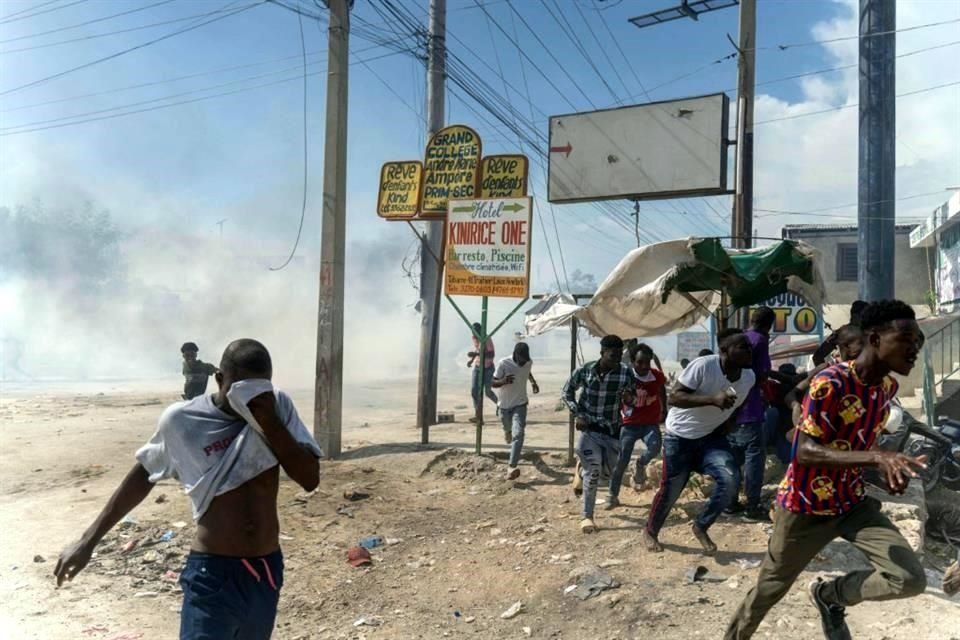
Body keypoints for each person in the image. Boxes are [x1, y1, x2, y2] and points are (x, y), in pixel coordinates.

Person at [55, 339, 322, 640]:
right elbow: (143, 474)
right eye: (241, 389)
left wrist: (267, 420)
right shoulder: (183, 421)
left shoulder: (277, 407)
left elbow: (309, 478)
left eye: (259, 388)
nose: (251, 398)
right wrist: (88, 541)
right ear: (220, 380)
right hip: (213, 574)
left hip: (265, 570)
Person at [725, 301, 928, 640]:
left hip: (852, 504)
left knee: (908, 579)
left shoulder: (887, 388)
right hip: (805, 508)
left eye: (919, 341)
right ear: (875, 339)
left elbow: (855, 445)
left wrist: (887, 473)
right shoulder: (829, 383)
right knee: (768, 591)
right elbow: (804, 452)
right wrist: (876, 457)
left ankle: (829, 596)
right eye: (907, 338)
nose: (914, 349)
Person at [643, 328, 755, 554]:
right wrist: (712, 400)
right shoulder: (704, 366)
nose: (749, 351)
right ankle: (650, 531)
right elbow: (675, 396)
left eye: (749, 346)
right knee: (671, 489)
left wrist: (730, 422)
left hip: (711, 438)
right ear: (724, 350)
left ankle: (701, 525)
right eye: (743, 347)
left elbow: (739, 404)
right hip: (680, 437)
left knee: (731, 478)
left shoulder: (748, 377)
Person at [562, 335, 636, 533]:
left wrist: (629, 399)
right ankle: (587, 517)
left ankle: (580, 470)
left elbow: (633, 398)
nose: (617, 359)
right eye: (613, 355)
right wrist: (577, 414)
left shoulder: (626, 373)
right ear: (602, 353)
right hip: (590, 429)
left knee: (607, 473)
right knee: (594, 472)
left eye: (620, 355)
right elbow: (566, 392)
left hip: (612, 430)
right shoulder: (585, 371)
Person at [727, 307, 777, 521]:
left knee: (733, 460)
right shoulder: (760, 340)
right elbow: (763, 373)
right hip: (751, 409)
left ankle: (730, 503)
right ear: (769, 324)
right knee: (754, 460)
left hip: (730, 410)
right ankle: (752, 507)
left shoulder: (737, 338)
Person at [607, 343, 667, 504]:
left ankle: (641, 463)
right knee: (622, 460)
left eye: (647, 362)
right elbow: (621, 397)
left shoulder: (656, 376)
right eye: (640, 362)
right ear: (633, 362)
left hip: (649, 422)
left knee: (655, 446)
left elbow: (661, 391)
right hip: (629, 424)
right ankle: (612, 495)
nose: (644, 366)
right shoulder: (626, 376)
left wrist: (664, 410)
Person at [491, 342, 540, 480]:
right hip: (504, 405)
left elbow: (526, 371)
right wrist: (503, 381)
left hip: (520, 404)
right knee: (508, 430)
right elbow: (492, 383)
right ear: (515, 355)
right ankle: (507, 431)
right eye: (521, 360)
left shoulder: (528, 362)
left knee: (518, 434)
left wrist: (533, 382)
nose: (522, 363)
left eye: (525, 360)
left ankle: (512, 466)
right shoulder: (503, 363)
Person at [812, 300, 869, 366]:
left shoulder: (840, 333)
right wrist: (831, 372)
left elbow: (817, 357)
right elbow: (817, 357)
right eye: (864, 315)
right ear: (855, 315)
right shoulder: (841, 333)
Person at [467, 323, 497, 423]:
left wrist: (475, 354)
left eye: (475, 331)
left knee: (487, 392)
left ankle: (501, 406)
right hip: (478, 367)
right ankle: (478, 415)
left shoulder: (486, 339)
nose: (474, 333)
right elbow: (478, 349)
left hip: (488, 368)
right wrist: (472, 360)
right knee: (474, 391)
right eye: (472, 331)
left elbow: (491, 354)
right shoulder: (474, 338)